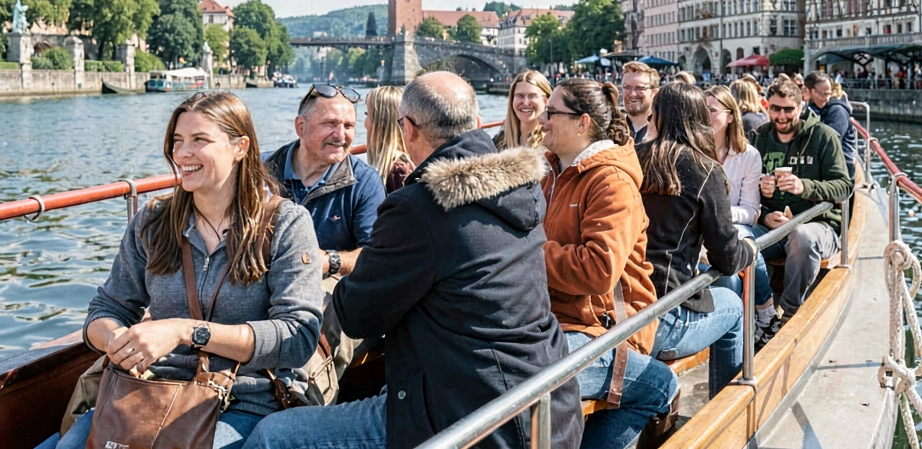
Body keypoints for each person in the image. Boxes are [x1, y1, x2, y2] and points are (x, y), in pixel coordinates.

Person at [247, 73, 583, 449]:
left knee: (273, 435)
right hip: (547, 401)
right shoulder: (522, 187)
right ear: (475, 124)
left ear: (407, 130)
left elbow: (358, 315)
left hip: (467, 418)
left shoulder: (419, 207)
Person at [43, 92, 322, 449]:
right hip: (147, 392)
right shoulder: (152, 222)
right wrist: (118, 341)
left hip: (242, 401)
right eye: (177, 142)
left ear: (240, 147)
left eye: (199, 140)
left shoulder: (286, 224)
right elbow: (106, 310)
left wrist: (186, 331)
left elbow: (297, 337)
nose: (183, 154)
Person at [540, 78, 678, 448]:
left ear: (582, 123)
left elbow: (598, 270)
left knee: (526, 387)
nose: (542, 119)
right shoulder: (551, 172)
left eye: (551, 112)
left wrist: (527, 253)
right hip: (554, 317)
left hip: (601, 326)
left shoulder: (611, 181)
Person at [639, 84, 755, 396]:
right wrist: (751, 249)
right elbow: (727, 259)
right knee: (732, 305)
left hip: (624, 307)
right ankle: (726, 407)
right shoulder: (705, 169)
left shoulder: (634, 158)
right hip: (664, 314)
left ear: (658, 117)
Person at [263, 84, 386, 281]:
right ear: (301, 127)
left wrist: (330, 261)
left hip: (327, 291)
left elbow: (376, 255)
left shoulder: (364, 182)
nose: (340, 136)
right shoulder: (260, 171)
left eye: (348, 126)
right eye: (330, 124)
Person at [752, 80, 853, 320]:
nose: (782, 116)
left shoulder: (823, 136)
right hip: (772, 225)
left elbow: (844, 187)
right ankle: (759, 311)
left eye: (789, 109)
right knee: (737, 239)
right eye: (775, 109)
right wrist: (763, 206)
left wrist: (804, 186)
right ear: (767, 108)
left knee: (802, 236)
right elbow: (745, 192)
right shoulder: (760, 138)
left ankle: (791, 310)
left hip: (819, 224)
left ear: (801, 106)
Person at [705, 86, 777, 345]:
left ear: (730, 116)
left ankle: (762, 316)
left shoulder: (748, 155)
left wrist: (719, 215)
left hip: (735, 227)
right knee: (733, 256)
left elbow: (750, 210)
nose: (705, 116)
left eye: (712, 110)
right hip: (703, 230)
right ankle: (749, 325)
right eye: (702, 110)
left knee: (740, 241)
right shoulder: (695, 152)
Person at [802, 71, 857, 180]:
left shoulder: (837, 111)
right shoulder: (814, 108)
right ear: (811, 91)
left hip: (840, 167)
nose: (827, 97)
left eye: (828, 93)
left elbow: (832, 140)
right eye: (824, 93)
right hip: (825, 164)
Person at [363, 86, 414, 192]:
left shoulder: (397, 172)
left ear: (380, 124)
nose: (365, 123)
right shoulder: (403, 164)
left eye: (367, 114)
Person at [494, 70, 553, 149]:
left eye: (532, 96)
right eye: (520, 96)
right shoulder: (498, 142)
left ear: (546, 101)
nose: (525, 103)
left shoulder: (554, 144)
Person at [621, 61, 660, 143]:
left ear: (654, 93)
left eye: (640, 88)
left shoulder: (661, 133)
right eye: (627, 87)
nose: (632, 94)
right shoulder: (612, 131)